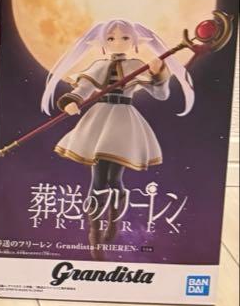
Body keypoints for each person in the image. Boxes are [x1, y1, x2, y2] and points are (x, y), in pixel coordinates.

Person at [42, 18, 192, 258]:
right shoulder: (98, 66)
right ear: (103, 42)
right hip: (100, 120)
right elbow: (83, 89)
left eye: (125, 38)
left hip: (124, 122)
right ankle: (94, 233)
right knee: (99, 179)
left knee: (114, 178)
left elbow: (161, 95)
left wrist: (158, 74)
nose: (118, 42)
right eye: (110, 38)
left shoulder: (137, 65)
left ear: (134, 41)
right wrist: (72, 101)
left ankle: (113, 222)